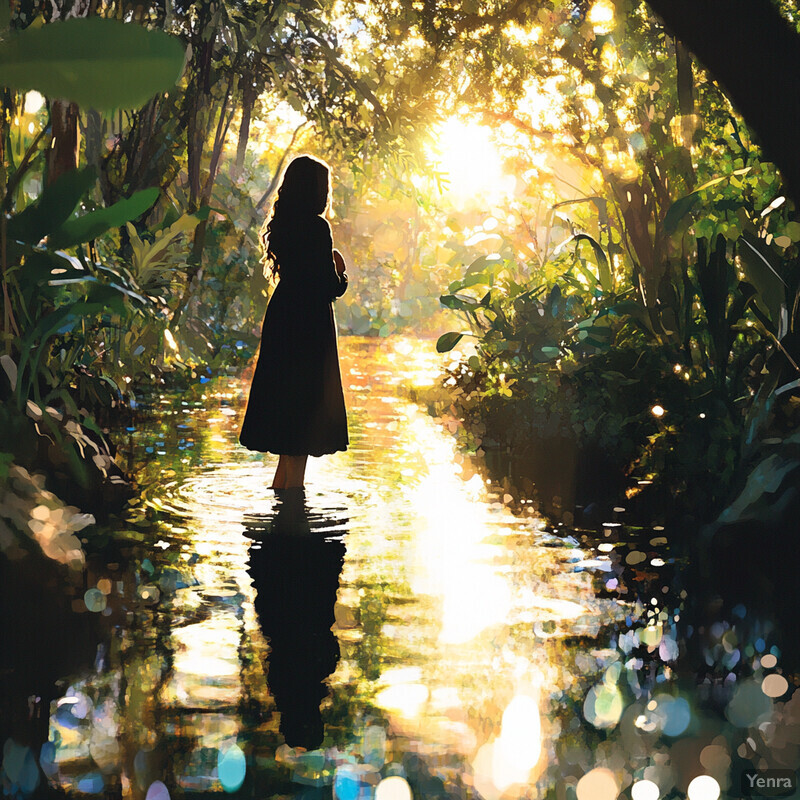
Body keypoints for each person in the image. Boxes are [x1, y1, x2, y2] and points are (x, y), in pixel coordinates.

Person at [239, 154, 349, 489]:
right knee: (304, 414)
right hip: (309, 324)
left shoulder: (283, 223)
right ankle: (292, 507)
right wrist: (341, 273)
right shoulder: (318, 228)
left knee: (287, 411)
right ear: (317, 190)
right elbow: (326, 286)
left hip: (283, 316)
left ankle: (280, 494)